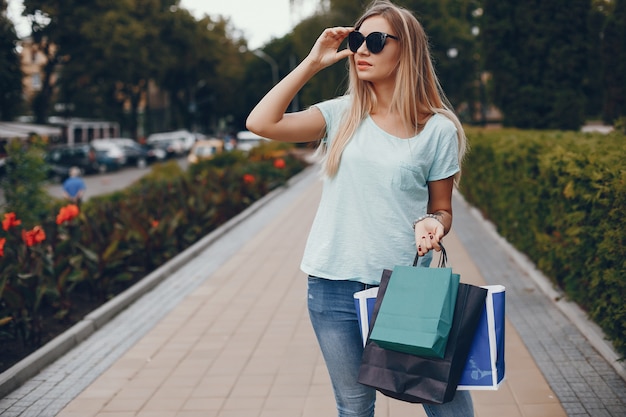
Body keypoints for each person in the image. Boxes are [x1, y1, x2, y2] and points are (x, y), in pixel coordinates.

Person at [246, 1, 471, 416]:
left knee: (444, 398)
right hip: (331, 286)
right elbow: (261, 123)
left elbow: (443, 208)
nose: (361, 50)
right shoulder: (342, 115)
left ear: (407, 50)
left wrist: (434, 225)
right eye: (356, 41)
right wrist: (313, 63)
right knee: (353, 406)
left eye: (375, 40)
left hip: (404, 286)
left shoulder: (437, 129)